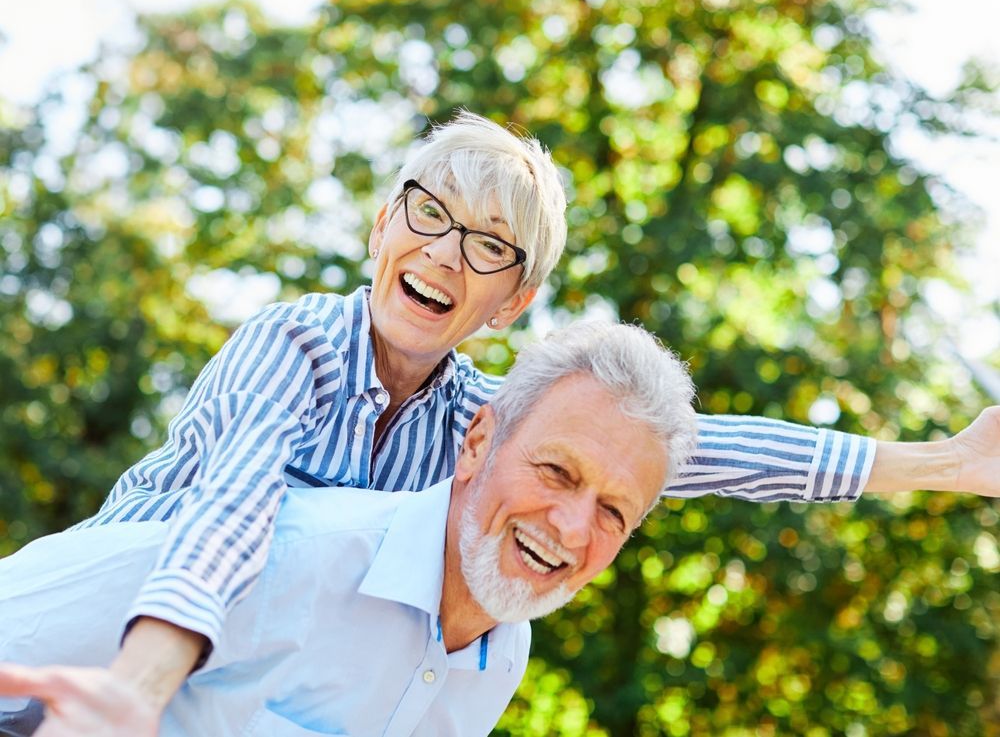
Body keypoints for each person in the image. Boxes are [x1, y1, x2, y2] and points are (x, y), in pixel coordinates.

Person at [6, 112, 998, 734]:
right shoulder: (297, 342)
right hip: (90, 641)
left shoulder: (475, 420)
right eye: (429, 213)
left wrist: (945, 461)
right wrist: (133, 687)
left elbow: (687, 447)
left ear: (511, 304)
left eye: (490, 246)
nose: (447, 253)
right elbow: (225, 523)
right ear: (382, 225)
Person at [0, 321, 699, 736]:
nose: (574, 528)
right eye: (556, 471)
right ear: (478, 443)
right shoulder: (288, 553)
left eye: (614, 511)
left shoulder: (501, 657)